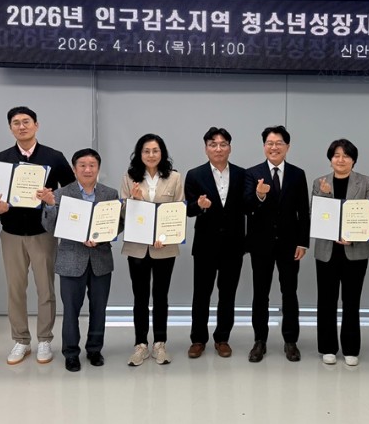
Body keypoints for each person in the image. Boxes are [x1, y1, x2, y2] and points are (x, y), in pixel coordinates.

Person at [0, 106, 75, 365]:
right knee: (16, 289)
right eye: (16, 123)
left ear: (36, 125)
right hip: (11, 233)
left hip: (43, 233)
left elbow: (71, 192)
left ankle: (45, 339)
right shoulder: (1, 158)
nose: (22, 126)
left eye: (26, 121)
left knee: (45, 288)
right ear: (10, 128)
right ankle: (21, 340)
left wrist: (52, 199)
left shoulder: (54, 157)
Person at [41, 148, 119, 372]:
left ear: (98, 168)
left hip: (100, 259)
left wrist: (101, 237)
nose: (87, 169)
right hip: (71, 259)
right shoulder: (60, 194)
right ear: (74, 169)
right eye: (82, 165)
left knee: (99, 309)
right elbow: (50, 227)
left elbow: (117, 225)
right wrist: (49, 205)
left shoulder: (110, 193)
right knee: (71, 311)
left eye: (92, 165)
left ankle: (94, 349)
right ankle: (71, 353)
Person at [244, 125, 310, 363]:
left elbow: (303, 211)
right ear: (264, 146)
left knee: (289, 293)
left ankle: (290, 341)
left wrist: (303, 242)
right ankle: (259, 340)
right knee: (260, 293)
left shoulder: (297, 174)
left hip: (290, 244)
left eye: (279, 143)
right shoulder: (252, 173)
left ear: (287, 147)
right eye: (270, 143)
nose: (274, 147)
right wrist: (260, 195)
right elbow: (246, 206)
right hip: (260, 244)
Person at [311, 139, 369, 366]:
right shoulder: (320, 183)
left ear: (353, 160)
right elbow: (316, 214)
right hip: (327, 250)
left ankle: (351, 348)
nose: (341, 160)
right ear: (330, 159)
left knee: (351, 301)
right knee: (326, 300)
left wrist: (353, 235)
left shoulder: (365, 182)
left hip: (355, 250)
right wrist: (326, 195)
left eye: (346, 156)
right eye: (336, 155)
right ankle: (327, 347)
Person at [121, 134, 184, 366]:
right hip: (137, 248)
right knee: (140, 297)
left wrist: (164, 237)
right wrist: (134, 200)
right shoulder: (129, 177)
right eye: (146, 151)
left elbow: (178, 212)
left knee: (160, 296)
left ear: (162, 153)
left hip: (164, 248)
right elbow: (124, 214)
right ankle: (140, 344)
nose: (151, 155)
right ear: (139, 154)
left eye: (155, 150)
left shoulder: (175, 177)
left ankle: (160, 343)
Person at [184, 127, 246, 359]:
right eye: (213, 144)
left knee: (227, 294)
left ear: (229, 147)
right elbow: (188, 210)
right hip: (205, 245)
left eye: (223, 144)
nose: (218, 148)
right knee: (201, 294)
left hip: (233, 244)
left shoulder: (242, 174)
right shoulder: (194, 175)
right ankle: (198, 339)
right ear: (206, 148)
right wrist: (199, 205)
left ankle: (222, 338)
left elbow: (248, 205)